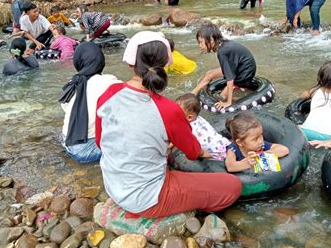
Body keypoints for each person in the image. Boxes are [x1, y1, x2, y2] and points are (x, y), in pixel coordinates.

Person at [96, 31, 242, 218]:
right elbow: (193, 151)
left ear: (131, 62)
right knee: (232, 186)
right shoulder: (168, 109)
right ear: (166, 64)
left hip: (114, 186)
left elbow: (101, 142)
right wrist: (213, 154)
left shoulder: (109, 93)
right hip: (149, 198)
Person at [59, 42, 119, 163]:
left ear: (78, 62)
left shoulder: (73, 83)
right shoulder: (109, 81)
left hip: (67, 142)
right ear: (101, 61)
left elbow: (65, 107)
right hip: (88, 150)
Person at [191, 23, 257, 111]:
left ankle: (241, 100)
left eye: (201, 42)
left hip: (244, 73)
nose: (200, 46)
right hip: (240, 67)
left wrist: (228, 102)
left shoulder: (222, 52)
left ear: (211, 40)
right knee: (209, 74)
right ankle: (192, 94)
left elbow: (230, 78)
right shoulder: (223, 43)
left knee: (221, 97)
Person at [225, 112, 289, 172]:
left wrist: (261, 155)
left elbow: (284, 150)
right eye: (255, 139)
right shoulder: (233, 149)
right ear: (240, 142)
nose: (260, 141)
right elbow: (230, 166)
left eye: (261, 135)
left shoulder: (261, 145)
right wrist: (247, 163)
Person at [176, 93, 230, 160]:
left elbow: (191, 148)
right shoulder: (199, 118)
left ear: (189, 117)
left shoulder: (186, 129)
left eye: (176, 113)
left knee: (201, 154)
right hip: (224, 143)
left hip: (215, 153)